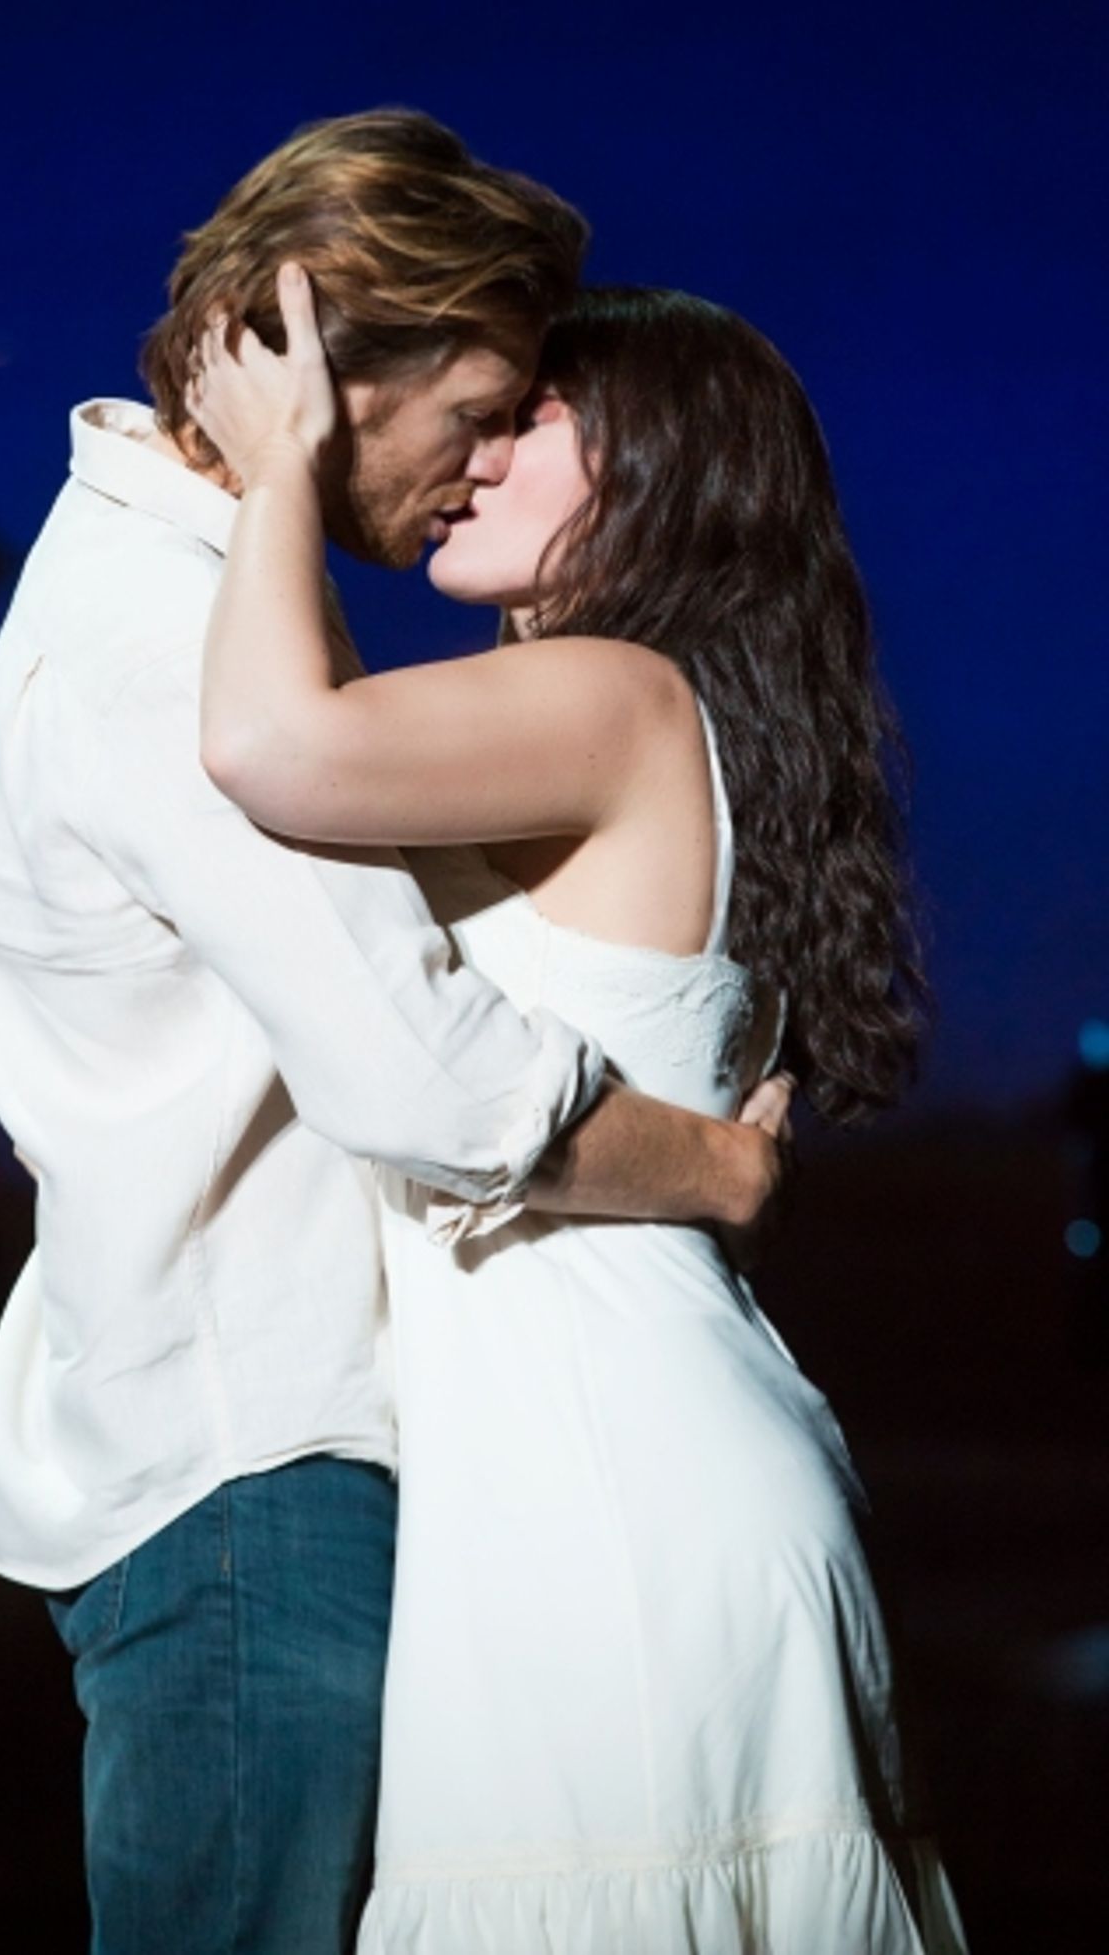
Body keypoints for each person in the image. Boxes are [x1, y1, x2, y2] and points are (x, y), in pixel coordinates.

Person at [0, 112, 792, 1955]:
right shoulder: (174, 648)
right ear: (319, 373)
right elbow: (434, 1080)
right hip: (262, 1475)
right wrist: (720, 1157)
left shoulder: (195, 596)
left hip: (283, 1460)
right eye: (479, 407)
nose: (487, 460)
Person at [187, 269, 968, 1951]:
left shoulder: (613, 693)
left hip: (611, 1500)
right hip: (616, 1468)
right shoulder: (648, 719)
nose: (472, 454)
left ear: (666, 466)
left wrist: (277, 469)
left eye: (532, 416)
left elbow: (266, 743)